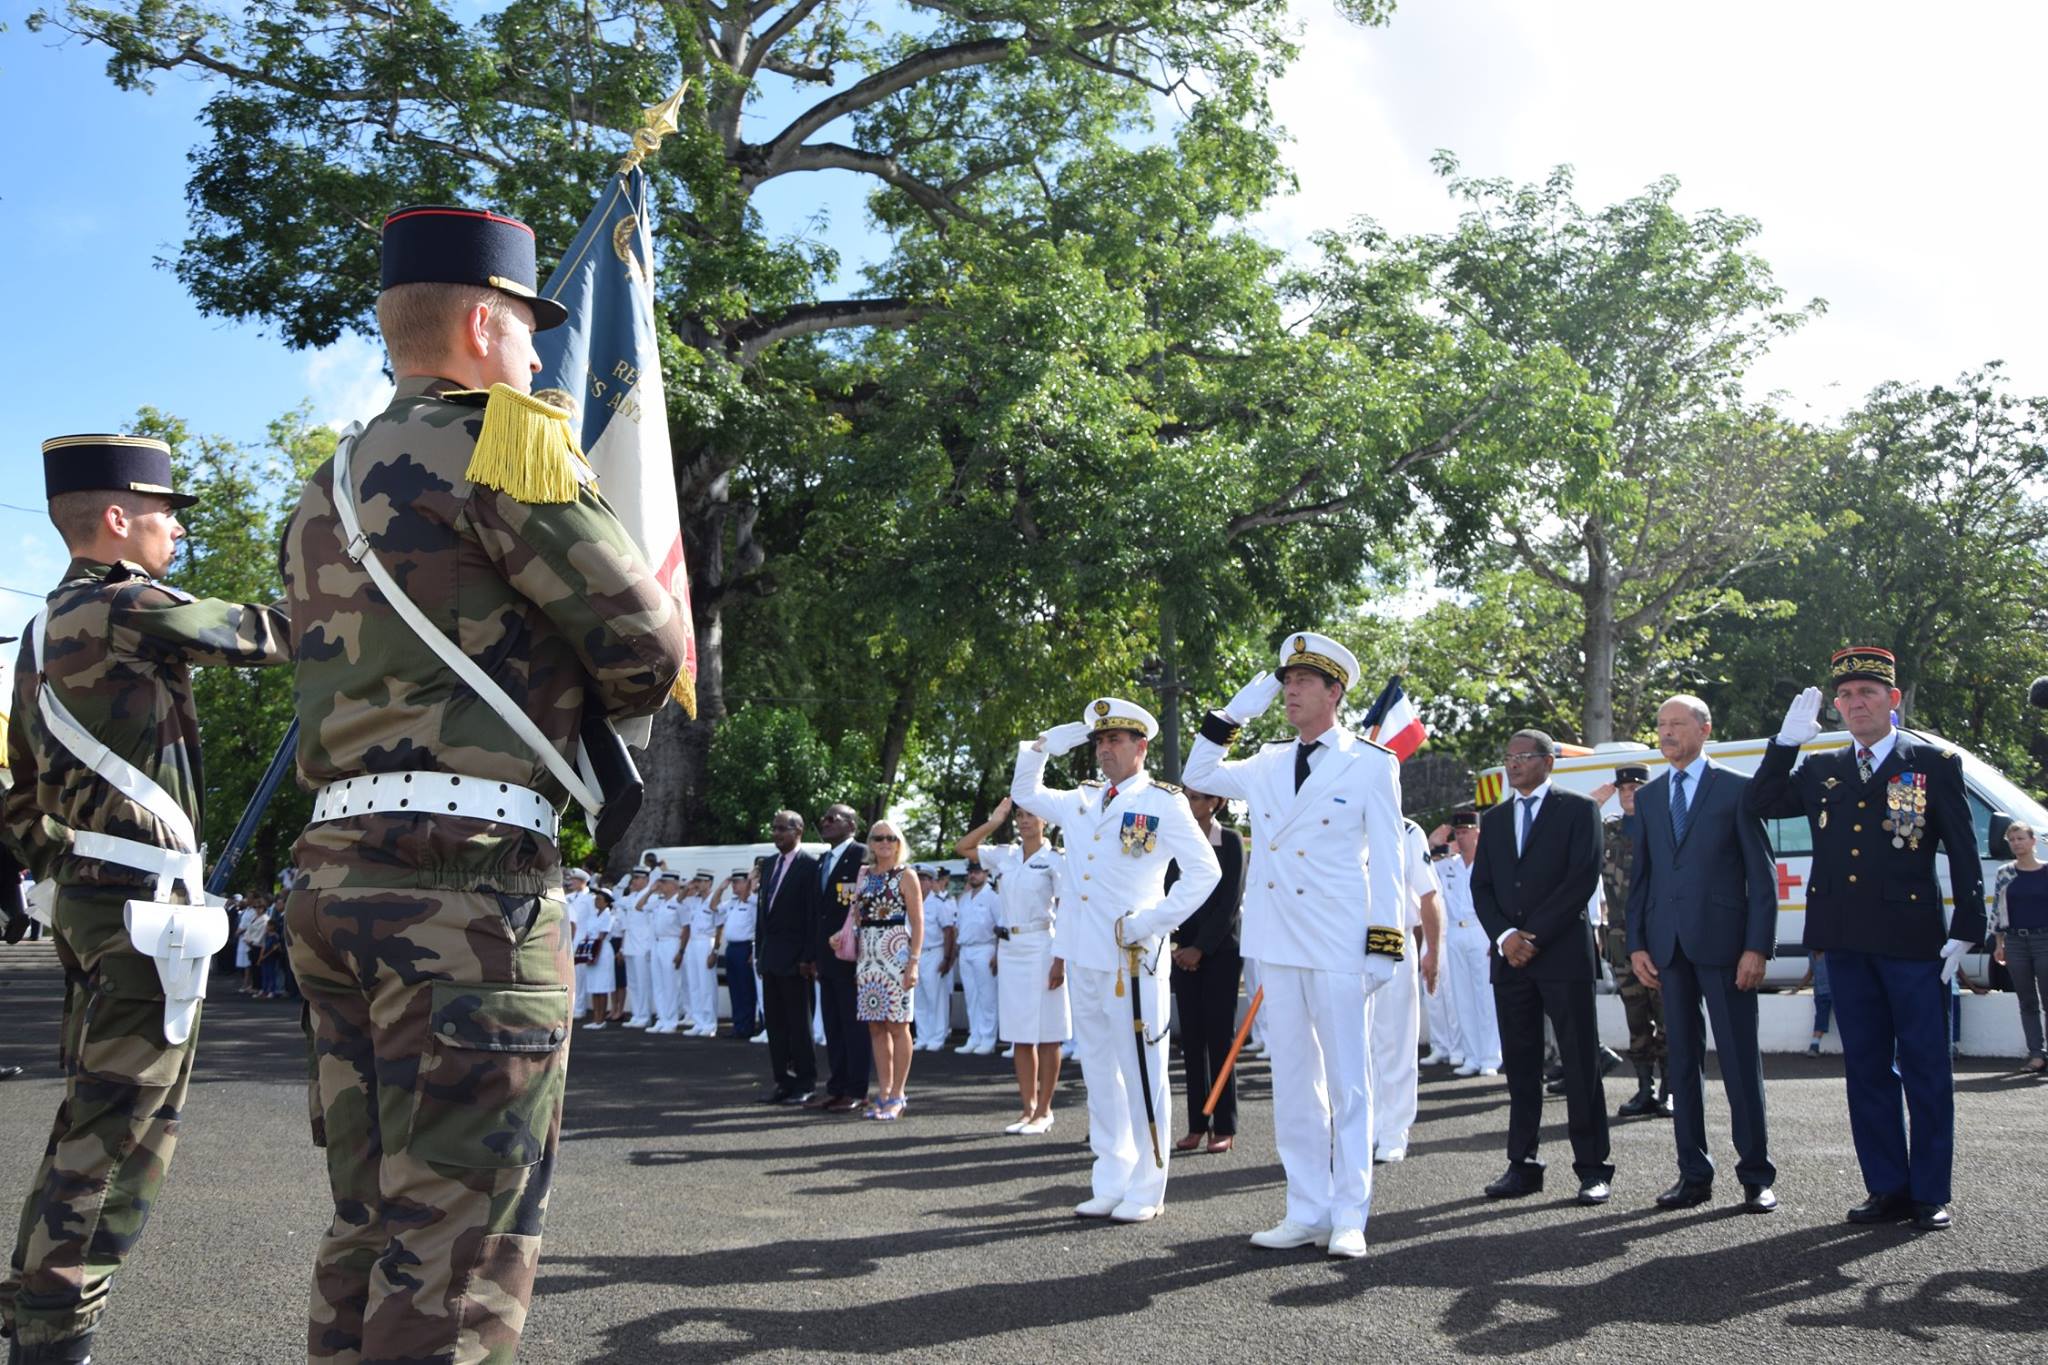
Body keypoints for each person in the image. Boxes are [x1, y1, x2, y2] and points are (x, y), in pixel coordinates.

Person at [278, 202, 689, 1364]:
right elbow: (649, 647)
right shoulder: (505, 447)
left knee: (370, 1221)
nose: (535, 350)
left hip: (333, 875)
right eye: (524, 326)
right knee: (461, 1244)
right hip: (464, 887)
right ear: (478, 321)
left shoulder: (325, 485)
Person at [0, 435, 291, 1364]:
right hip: (142, 908)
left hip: (94, 896)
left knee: (91, 1115)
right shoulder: (125, 603)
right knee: (122, 1130)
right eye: (165, 513)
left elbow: (15, 794)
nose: (174, 530)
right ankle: (55, 1326)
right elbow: (264, 633)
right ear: (117, 520)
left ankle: (34, 1302)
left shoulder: (43, 629)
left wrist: (68, 863)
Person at [1183, 633, 1406, 1260]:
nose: (1291, 689)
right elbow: (1196, 775)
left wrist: (1383, 948)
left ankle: (1349, 1215)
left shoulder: (1370, 762)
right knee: (1293, 1081)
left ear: (1334, 692)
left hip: (1339, 941)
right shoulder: (1268, 760)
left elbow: (1387, 862)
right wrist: (1233, 713)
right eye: (1286, 680)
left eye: (1305, 681)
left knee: (1348, 1084)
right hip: (1277, 940)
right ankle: (1305, 1208)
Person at [1746, 647, 1984, 1231]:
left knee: (1926, 1067)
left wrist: (1967, 929)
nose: (1855, 704)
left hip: (1911, 941)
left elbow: (1961, 848)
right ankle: (1887, 1188)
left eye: (1867, 694)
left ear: (1892, 701)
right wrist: (1784, 746)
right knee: (1867, 1070)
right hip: (1845, 941)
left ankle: (1929, 1192)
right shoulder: (1821, 768)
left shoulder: (1930, 763)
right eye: (1846, 696)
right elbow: (1757, 805)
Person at [1013, 696, 1219, 1224]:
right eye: (1100, 740)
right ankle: (1110, 1178)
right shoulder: (1082, 799)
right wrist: (1040, 747)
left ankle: (1148, 1187)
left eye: (1116, 740)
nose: (1105, 748)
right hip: (1084, 954)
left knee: (1143, 1074)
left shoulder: (1164, 802)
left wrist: (1152, 921)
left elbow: (1205, 873)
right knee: (1100, 1073)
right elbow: (1025, 792)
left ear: (1140, 746)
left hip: (1134, 959)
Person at [1624, 695, 1780, 1214]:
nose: (1666, 733)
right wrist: (1638, 943)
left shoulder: (1737, 789)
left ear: (1704, 729)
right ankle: (1693, 1174)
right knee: (1682, 1066)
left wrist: (1757, 946)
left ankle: (1756, 1176)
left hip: (1727, 948)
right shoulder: (1648, 799)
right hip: (1668, 949)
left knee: (1738, 1064)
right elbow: (1642, 879)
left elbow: (1762, 878)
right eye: (1661, 725)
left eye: (1676, 724)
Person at [1472, 729, 1614, 1206]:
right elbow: (1483, 887)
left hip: (1561, 954)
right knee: (1521, 1065)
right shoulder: (1493, 820)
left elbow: (1582, 877)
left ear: (1549, 762)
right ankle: (1522, 1164)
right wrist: (1506, 938)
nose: (1513, 765)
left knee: (1578, 1062)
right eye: (1508, 757)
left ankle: (1593, 1167)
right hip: (1510, 959)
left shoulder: (1578, 811)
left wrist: (1533, 935)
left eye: (1523, 757)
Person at [959, 797, 1073, 1134]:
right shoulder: (1005, 855)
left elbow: (1066, 910)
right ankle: (1027, 1108)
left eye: (1031, 815)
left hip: (1043, 944)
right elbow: (963, 846)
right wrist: (995, 821)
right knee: (1020, 1036)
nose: (1024, 821)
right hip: (1011, 947)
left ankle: (1045, 1110)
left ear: (1046, 821)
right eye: (1020, 815)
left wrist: (1060, 961)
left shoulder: (1055, 860)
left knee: (1048, 1035)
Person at [1167, 785, 1244, 1154]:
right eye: (1186, 795)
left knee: (1219, 1039)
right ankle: (1197, 1123)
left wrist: (1201, 947)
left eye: (1197, 796)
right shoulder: (1174, 841)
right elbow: (1167, 894)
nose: (1190, 801)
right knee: (1191, 1041)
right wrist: (1179, 945)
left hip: (1220, 953)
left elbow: (1230, 900)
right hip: (1182, 952)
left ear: (1216, 801)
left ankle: (1223, 1124)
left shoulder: (1230, 841)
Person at [1594, 768, 1671, 1118]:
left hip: (1660, 937)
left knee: (1667, 1015)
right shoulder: (1607, 830)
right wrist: (1592, 803)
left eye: (1636, 788)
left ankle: (1671, 1090)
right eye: (1623, 788)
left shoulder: (1663, 825)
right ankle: (1644, 1088)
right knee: (1636, 1017)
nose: (1629, 793)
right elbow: (1569, 837)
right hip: (1622, 940)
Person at [1370, 818, 1443, 1164]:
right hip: (1345, 946)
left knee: (1396, 1042)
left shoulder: (1407, 830)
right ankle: (1365, 1126)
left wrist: (1433, 950)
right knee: (1356, 1044)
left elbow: (1428, 894)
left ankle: (1394, 1130)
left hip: (1391, 939)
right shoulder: (1338, 818)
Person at [851, 819, 924, 1119]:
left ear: (899, 843)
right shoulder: (864, 875)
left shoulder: (906, 875)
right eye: (878, 837)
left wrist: (914, 962)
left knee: (898, 1025)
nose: (884, 843)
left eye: (891, 838)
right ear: (870, 843)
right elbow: (856, 915)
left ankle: (898, 1095)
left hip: (895, 954)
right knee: (876, 1026)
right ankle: (882, 1092)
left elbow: (918, 922)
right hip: (867, 956)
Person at [757, 812, 823, 1104]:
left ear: (799, 830)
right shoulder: (769, 864)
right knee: (776, 1025)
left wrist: (808, 957)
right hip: (771, 958)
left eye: (782, 829)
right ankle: (782, 1081)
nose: (776, 833)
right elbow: (763, 916)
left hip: (796, 961)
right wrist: (760, 954)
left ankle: (805, 1082)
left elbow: (812, 917)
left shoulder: (810, 866)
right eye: (774, 828)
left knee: (799, 1025)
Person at [812, 804, 873, 1113]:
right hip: (826, 957)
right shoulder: (823, 860)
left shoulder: (862, 854)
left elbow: (867, 905)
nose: (825, 822)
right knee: (833, 1026)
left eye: (831, 818)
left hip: (852, 956)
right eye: (824, 818)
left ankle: (857, 1089)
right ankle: (837, 1087)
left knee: (854, 1026)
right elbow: (818, 912)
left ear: (851, 824)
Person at [1431, 812, 1501, 1076]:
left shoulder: (1489, 864)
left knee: (1485, 996)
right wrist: (1436, 840)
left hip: (1480, 930)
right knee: (1462, 996)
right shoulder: (1448, 865)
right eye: (1457, 832)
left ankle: (1490, 1056)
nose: (1460, 836)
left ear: (1478, 834)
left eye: (1465, 831)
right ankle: (1471, 1056)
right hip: (1455, 932)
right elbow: (1419, 863)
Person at [1992, 821, 2047, 1073]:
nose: (2016, 844)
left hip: (2044, 939)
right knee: (2026, 999)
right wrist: (1999, 943)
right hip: (2015, 941)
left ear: (2033, 841)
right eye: (2012, 840)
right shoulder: (2005, 872)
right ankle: (2036, 1054)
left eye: (2021, 838)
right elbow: (1997, 911)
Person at [952, 861, 1002, 1054]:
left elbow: (1001, 926)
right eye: (971, 872)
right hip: (966, 950)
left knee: (987, 997)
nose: (973, 876)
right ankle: (975, 1036)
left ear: (986, 874)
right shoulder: (964, 898)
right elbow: (959, 926)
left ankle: (988, 1038)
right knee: (971, 996)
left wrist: (997, 954)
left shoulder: (993, 897)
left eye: (977, 872)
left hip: (985, 948)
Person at [914, 867, 959, 1051]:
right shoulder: (911, 902)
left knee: (936, 998)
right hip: (917, 954)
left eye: (925, 879)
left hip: (935, 951)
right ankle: (923, 1035)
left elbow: (949, 931)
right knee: (919, 998)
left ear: (931, 883)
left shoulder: (938, 904)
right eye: (918, 879)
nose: (921, 883)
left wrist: (947, 958)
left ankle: (938, 1036)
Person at [714, 870, 761, 1041]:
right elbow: (713, 907)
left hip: (745, 948)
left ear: (746, 883)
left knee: (746, 990)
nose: (734, 885)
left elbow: (758, 927)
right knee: (735, 989)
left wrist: (753, 949)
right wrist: (720, 888)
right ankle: (738, 1025)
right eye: (733, 882)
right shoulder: (732, 902)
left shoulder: (753, 902)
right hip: (732, 949)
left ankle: (746, 1027)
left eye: (737, 882)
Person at [680, 870, 723, 1037]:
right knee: (694, 984)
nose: (698, 884)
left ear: (710, 883)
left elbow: (720, 927)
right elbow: (679, 899)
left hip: (706, 941)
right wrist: (688, 886)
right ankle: (698, 1022)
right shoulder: (694, 901)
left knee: (707, 985)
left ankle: (710, 1023)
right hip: (693, 943)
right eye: (697, 881)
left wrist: (715, 950)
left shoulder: (714, 900)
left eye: (702, 881)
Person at [577, 888, 618, 1029]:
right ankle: (595, 1018)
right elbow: (589, 934)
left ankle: (601, 1020)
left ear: (607, 902)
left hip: (602, 950)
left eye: (599, 899)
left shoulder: (609, 916)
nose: (596, 901)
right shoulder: (593, 915)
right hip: (592, 949)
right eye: (596, 899)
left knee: (602, 986)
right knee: (594, 986)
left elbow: (602, 936)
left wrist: (594, 954)